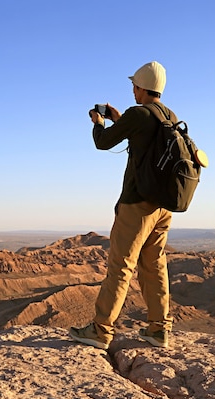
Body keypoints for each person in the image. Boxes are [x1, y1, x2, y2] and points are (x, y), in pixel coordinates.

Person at [69, 61, 175, 349]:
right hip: (163, 207)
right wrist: (121, 120)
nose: (132, 91)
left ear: (139, 87)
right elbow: (143, 138)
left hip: (137, 204)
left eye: (134, 87)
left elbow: (103, 143)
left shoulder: (138, 114)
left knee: (121, 266)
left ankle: (101, 330)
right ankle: (159, 330)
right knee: (154, 265)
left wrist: (99, 122)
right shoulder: (168, 115)